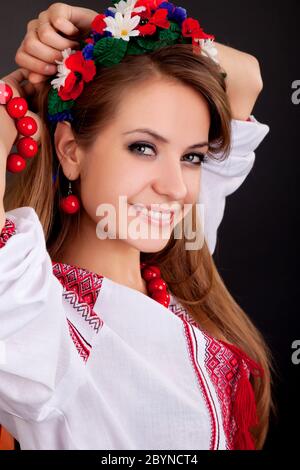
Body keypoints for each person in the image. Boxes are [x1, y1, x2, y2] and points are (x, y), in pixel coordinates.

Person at [0, 1, 273, 450]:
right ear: (71, 150)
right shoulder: (41, 319)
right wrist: (7, 107)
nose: (175, 188)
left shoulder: (181, 259)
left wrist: (106, 30)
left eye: (192, 157)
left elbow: (247, 77)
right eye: (144, 148)